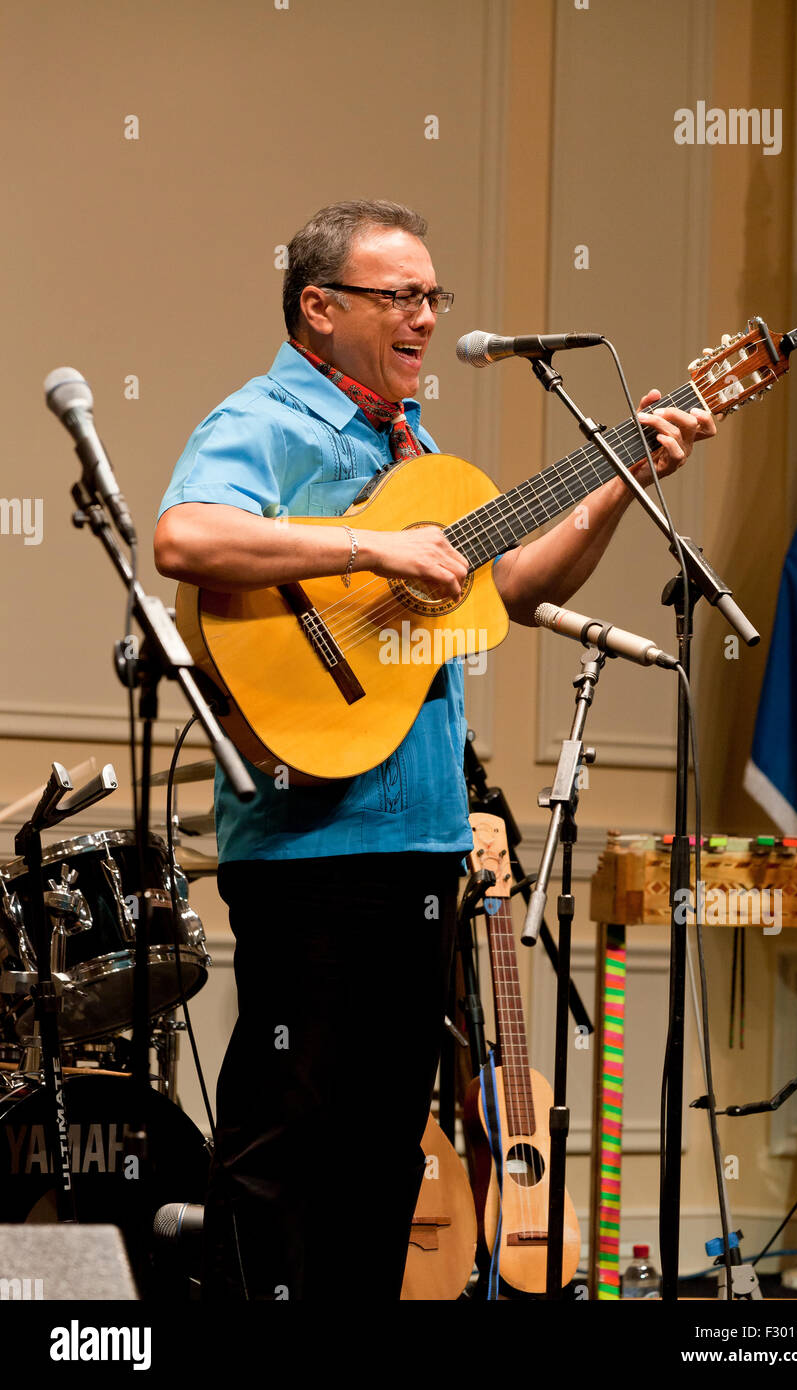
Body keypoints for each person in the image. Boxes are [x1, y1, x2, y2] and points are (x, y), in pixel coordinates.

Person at [154, 199, 714, 1300]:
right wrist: (371, 542)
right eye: (398, 295)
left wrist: (620, 480)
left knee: (379, 1159)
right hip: (309, 850)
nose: (423, 316)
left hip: (418, 848)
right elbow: (185, 534)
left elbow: (510, 589)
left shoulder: (412, 449)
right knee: (279, 1152)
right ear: (320, 307)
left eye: (430, 296)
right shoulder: (264, 418)